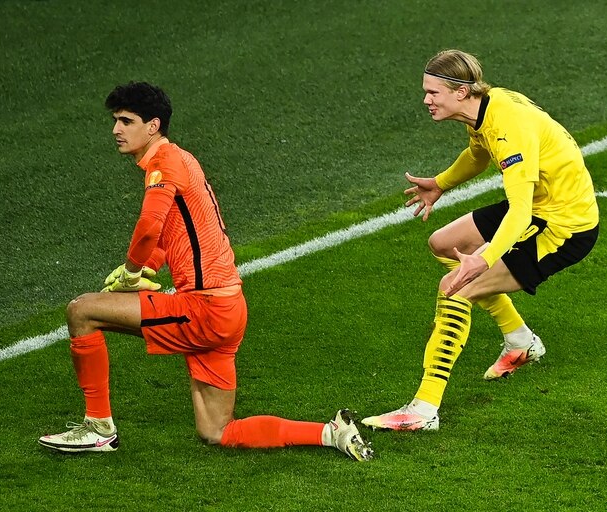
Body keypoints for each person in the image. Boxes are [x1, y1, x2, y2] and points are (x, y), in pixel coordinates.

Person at [38, 81, 373, 460]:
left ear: (153, 125)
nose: (116, 129)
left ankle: (98, 429)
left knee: (82, 311)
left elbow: (149, 226)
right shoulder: (182, 159)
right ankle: (331, 434)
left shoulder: (164, 165)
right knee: (216, 431)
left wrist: (131, 272)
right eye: (115, 120)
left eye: (126, 121)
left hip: (204, 309)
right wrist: (147, 267)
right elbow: (169, 234)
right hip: (230, 310)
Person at [361, 49, 599, 431]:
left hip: (563, 225)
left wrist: (484, 259)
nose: (426, 100)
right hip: (541, 206)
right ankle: (520, 341)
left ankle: (423, 411)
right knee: (443, 244)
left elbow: (519, 212)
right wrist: (440, 184)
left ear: (460, 92)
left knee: (454, 288)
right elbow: (477, 154)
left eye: (433, 92)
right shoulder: (485, 108)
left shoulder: (508, 129)